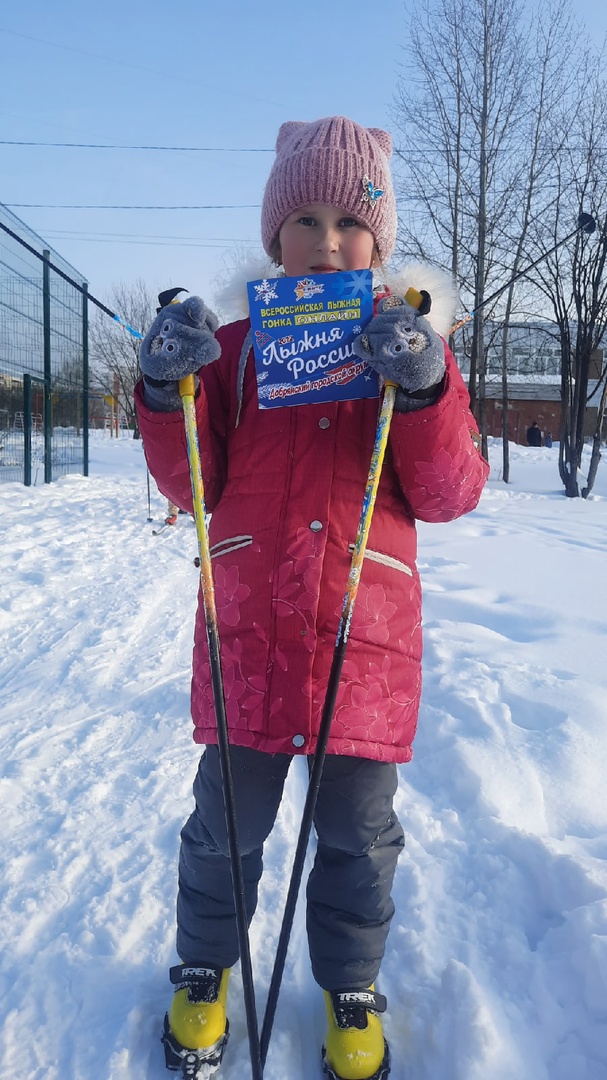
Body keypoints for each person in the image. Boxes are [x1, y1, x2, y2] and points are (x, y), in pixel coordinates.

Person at [135, 116, 489, 1080]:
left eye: (349, 221)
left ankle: (350, 985)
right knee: (225, 834)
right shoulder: (240, 349)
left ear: (378, 238)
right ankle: (205, 969)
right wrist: (168, 394)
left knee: (359, 844)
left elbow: (453, 490)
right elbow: (189, 480)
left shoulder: (406, 341)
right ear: (272, 234)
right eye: (305, 220)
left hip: (360, 645)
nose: (327, 242)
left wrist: (420, 389)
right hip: (248, 636)